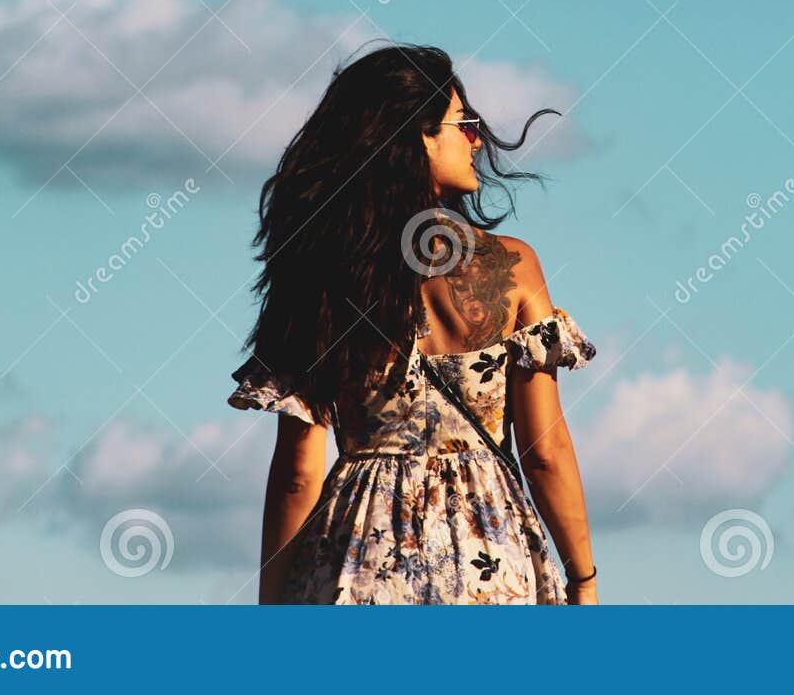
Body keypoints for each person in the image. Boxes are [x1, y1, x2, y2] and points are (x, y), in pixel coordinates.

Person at [227, 41, 599, 604]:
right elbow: (544, 451)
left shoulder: (319, 278)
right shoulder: (514, 267)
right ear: (414, 136)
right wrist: (583, 579)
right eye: (462, 123)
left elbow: (299, 475)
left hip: (356, 562)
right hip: (492, 563)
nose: (476, 138)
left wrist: (272, 615)